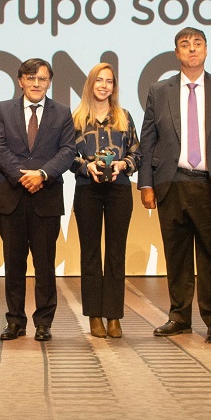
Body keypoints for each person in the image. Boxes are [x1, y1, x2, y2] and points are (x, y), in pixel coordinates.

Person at [138, 27, 211, 343]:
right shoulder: (160, 90)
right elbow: (148, 140)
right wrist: (145, 184)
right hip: (170, 182)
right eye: (185, 45)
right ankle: (179, 317)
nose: (192, 49)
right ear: (177, 53)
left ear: (207, 50)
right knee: (177, 255)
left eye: (197, 43)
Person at [0, 58, 77, 341]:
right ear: (21, 81)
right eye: (31, 78)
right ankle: (14, 321)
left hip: (46, 196)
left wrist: (41, 174)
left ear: (49, 82)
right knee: (13, 263)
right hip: (11, 195)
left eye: (42, 79)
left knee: (45, 264)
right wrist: (22, 175)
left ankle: (44, 322)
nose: (36, 83)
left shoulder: (63, 112)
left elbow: (67, 151)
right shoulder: (2, 110)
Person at [71, 62, 139, 339]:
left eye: (109, 81)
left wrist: (124, 164)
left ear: (114, 86)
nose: (103, 85)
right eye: (98, 80)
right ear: (90, 84)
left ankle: (114, 316)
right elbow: (68, 157)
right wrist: (86, 167)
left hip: (119, 190)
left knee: (115, 253)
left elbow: (137, 153)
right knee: (90, 255)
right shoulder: (76, 119)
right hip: (87, 189)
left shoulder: (124, 117)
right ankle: (94, 316)